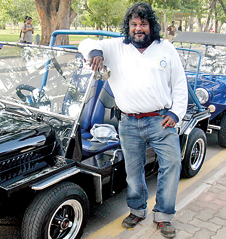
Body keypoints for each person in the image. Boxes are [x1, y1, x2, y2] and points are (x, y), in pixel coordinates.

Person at [79, 2, 187, 238]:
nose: (138, 29)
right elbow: (85, 42)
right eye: (134, 24)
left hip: (161, 120)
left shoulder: (166, 48)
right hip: (128, 122)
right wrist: (94, 52)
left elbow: (180, 84)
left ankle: (163, 216)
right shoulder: (115, 47)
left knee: (172, 165)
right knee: (133, 169)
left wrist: (176, 113)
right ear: (128, 26)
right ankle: (137, 211)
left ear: (152, 26)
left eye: (143, 24)